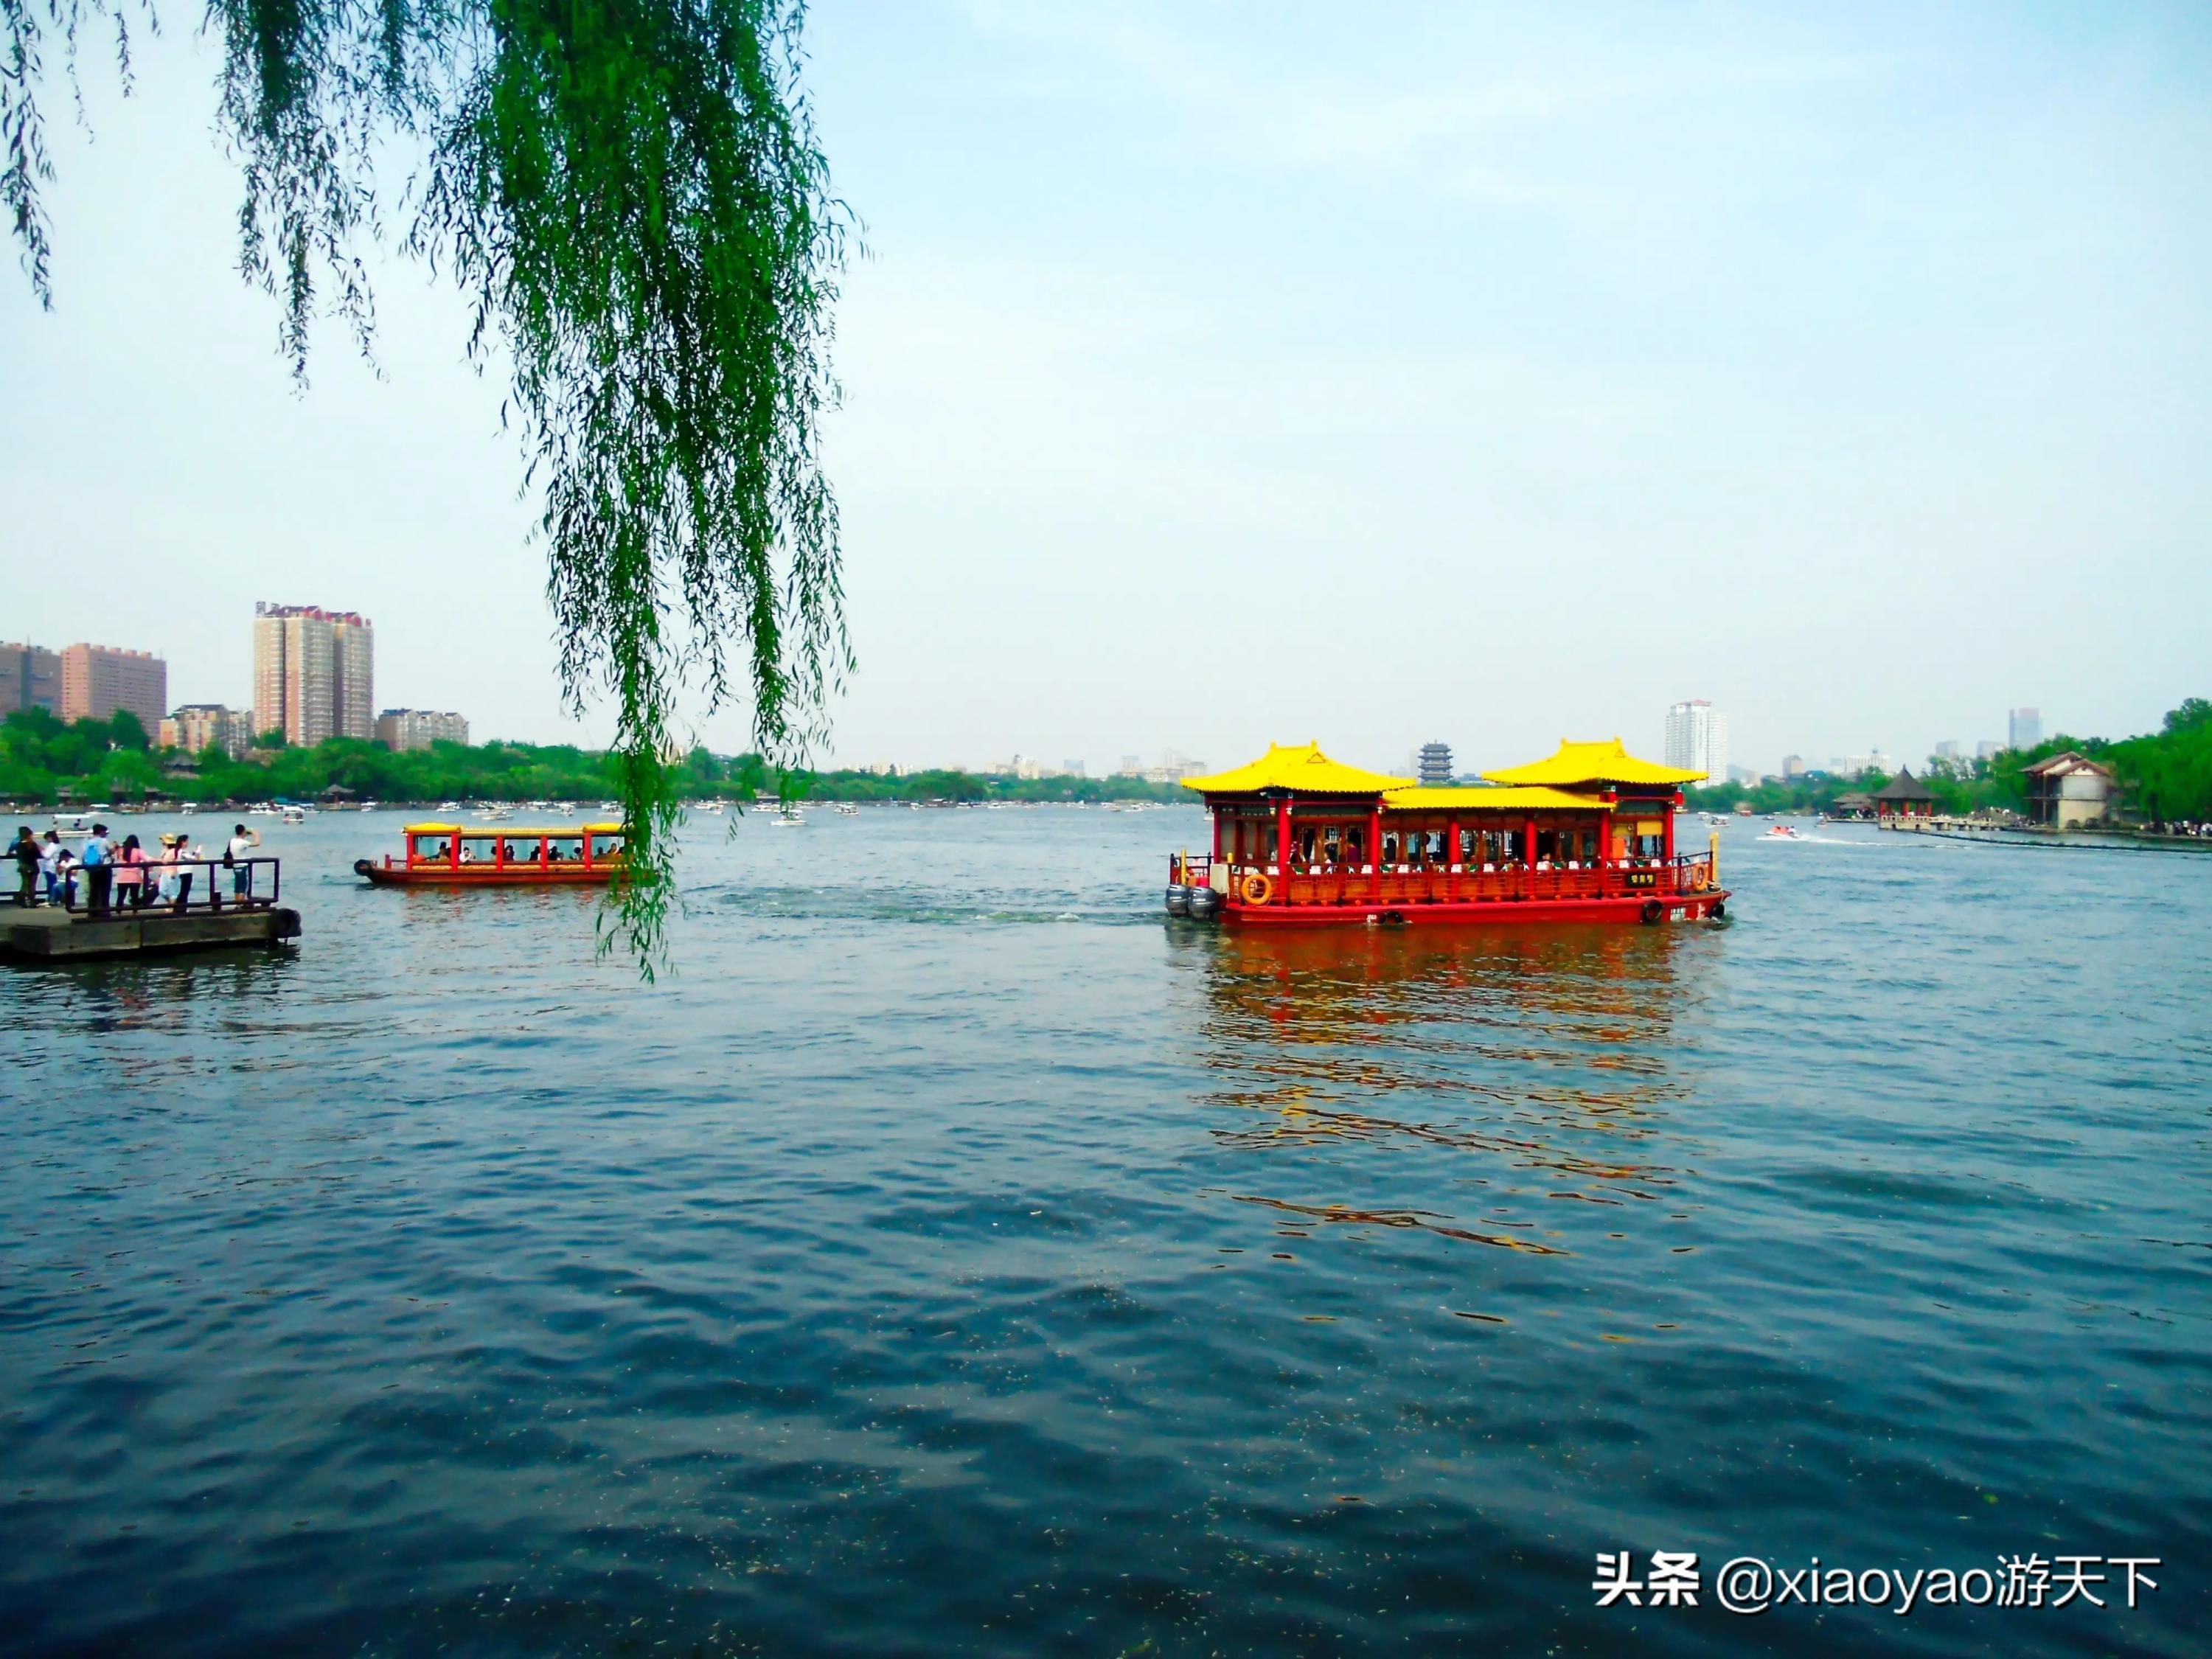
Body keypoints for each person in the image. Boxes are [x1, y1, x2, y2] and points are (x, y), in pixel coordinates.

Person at [225, 823, 261, 905]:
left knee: (237, 887)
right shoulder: (243, 843)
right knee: (243, 888)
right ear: (243, 832)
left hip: (235, 866)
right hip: (242, 866)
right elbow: (257, 843)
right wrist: (256, 834)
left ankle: (237, 904)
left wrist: (246, 833)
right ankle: (240, 905)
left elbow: (241, 839)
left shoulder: (232, 841)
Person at [81, 823, 113, 915]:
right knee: (105, 891)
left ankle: (92, 911)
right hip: (104, 868)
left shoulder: (88, 842)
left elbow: (84, 855)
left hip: (92, 868)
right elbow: (111, 851)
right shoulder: (104, 841)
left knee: (93, 890)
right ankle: (105, 910)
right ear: (102, 832)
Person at [113, 834, 149, 909]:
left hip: (122, 878)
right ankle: (134, 912)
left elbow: (115, 854)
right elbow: (147, 859)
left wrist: (116, 846)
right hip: (135, 877)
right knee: (134, 896)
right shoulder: (138, 851)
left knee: (121, 897)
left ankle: (118, 913)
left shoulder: (121, 851)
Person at [38, 830, 67, 906]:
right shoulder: (58, 845)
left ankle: (52, 899)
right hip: (54, 865)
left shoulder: (52, 845)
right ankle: (55, 898)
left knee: (51, 883)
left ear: (50, 838)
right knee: (53, 882)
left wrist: (41, 850)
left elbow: (47, 856)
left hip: (49, 866)